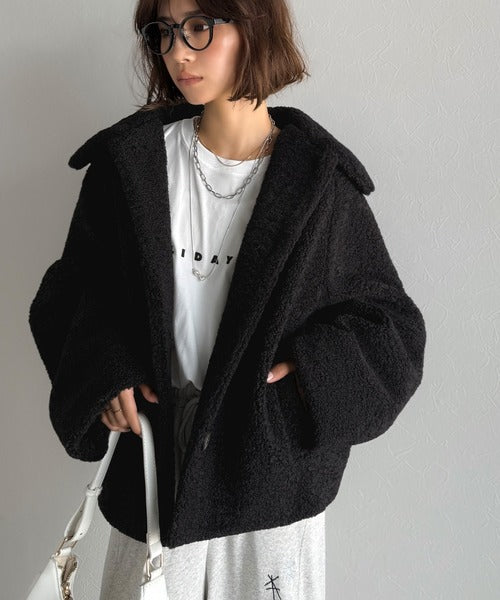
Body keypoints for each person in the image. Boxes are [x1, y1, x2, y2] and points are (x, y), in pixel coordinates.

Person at [28, 0, 426, 598]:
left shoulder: (321, 184)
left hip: (267, 483)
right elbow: (70, 293)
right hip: (154, 473)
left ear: (255, 26)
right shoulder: (130, 165)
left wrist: (306, 382)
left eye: (199, 28)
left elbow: (391, 329)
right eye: (164, 32)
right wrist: (104, 374)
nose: (178, 52)